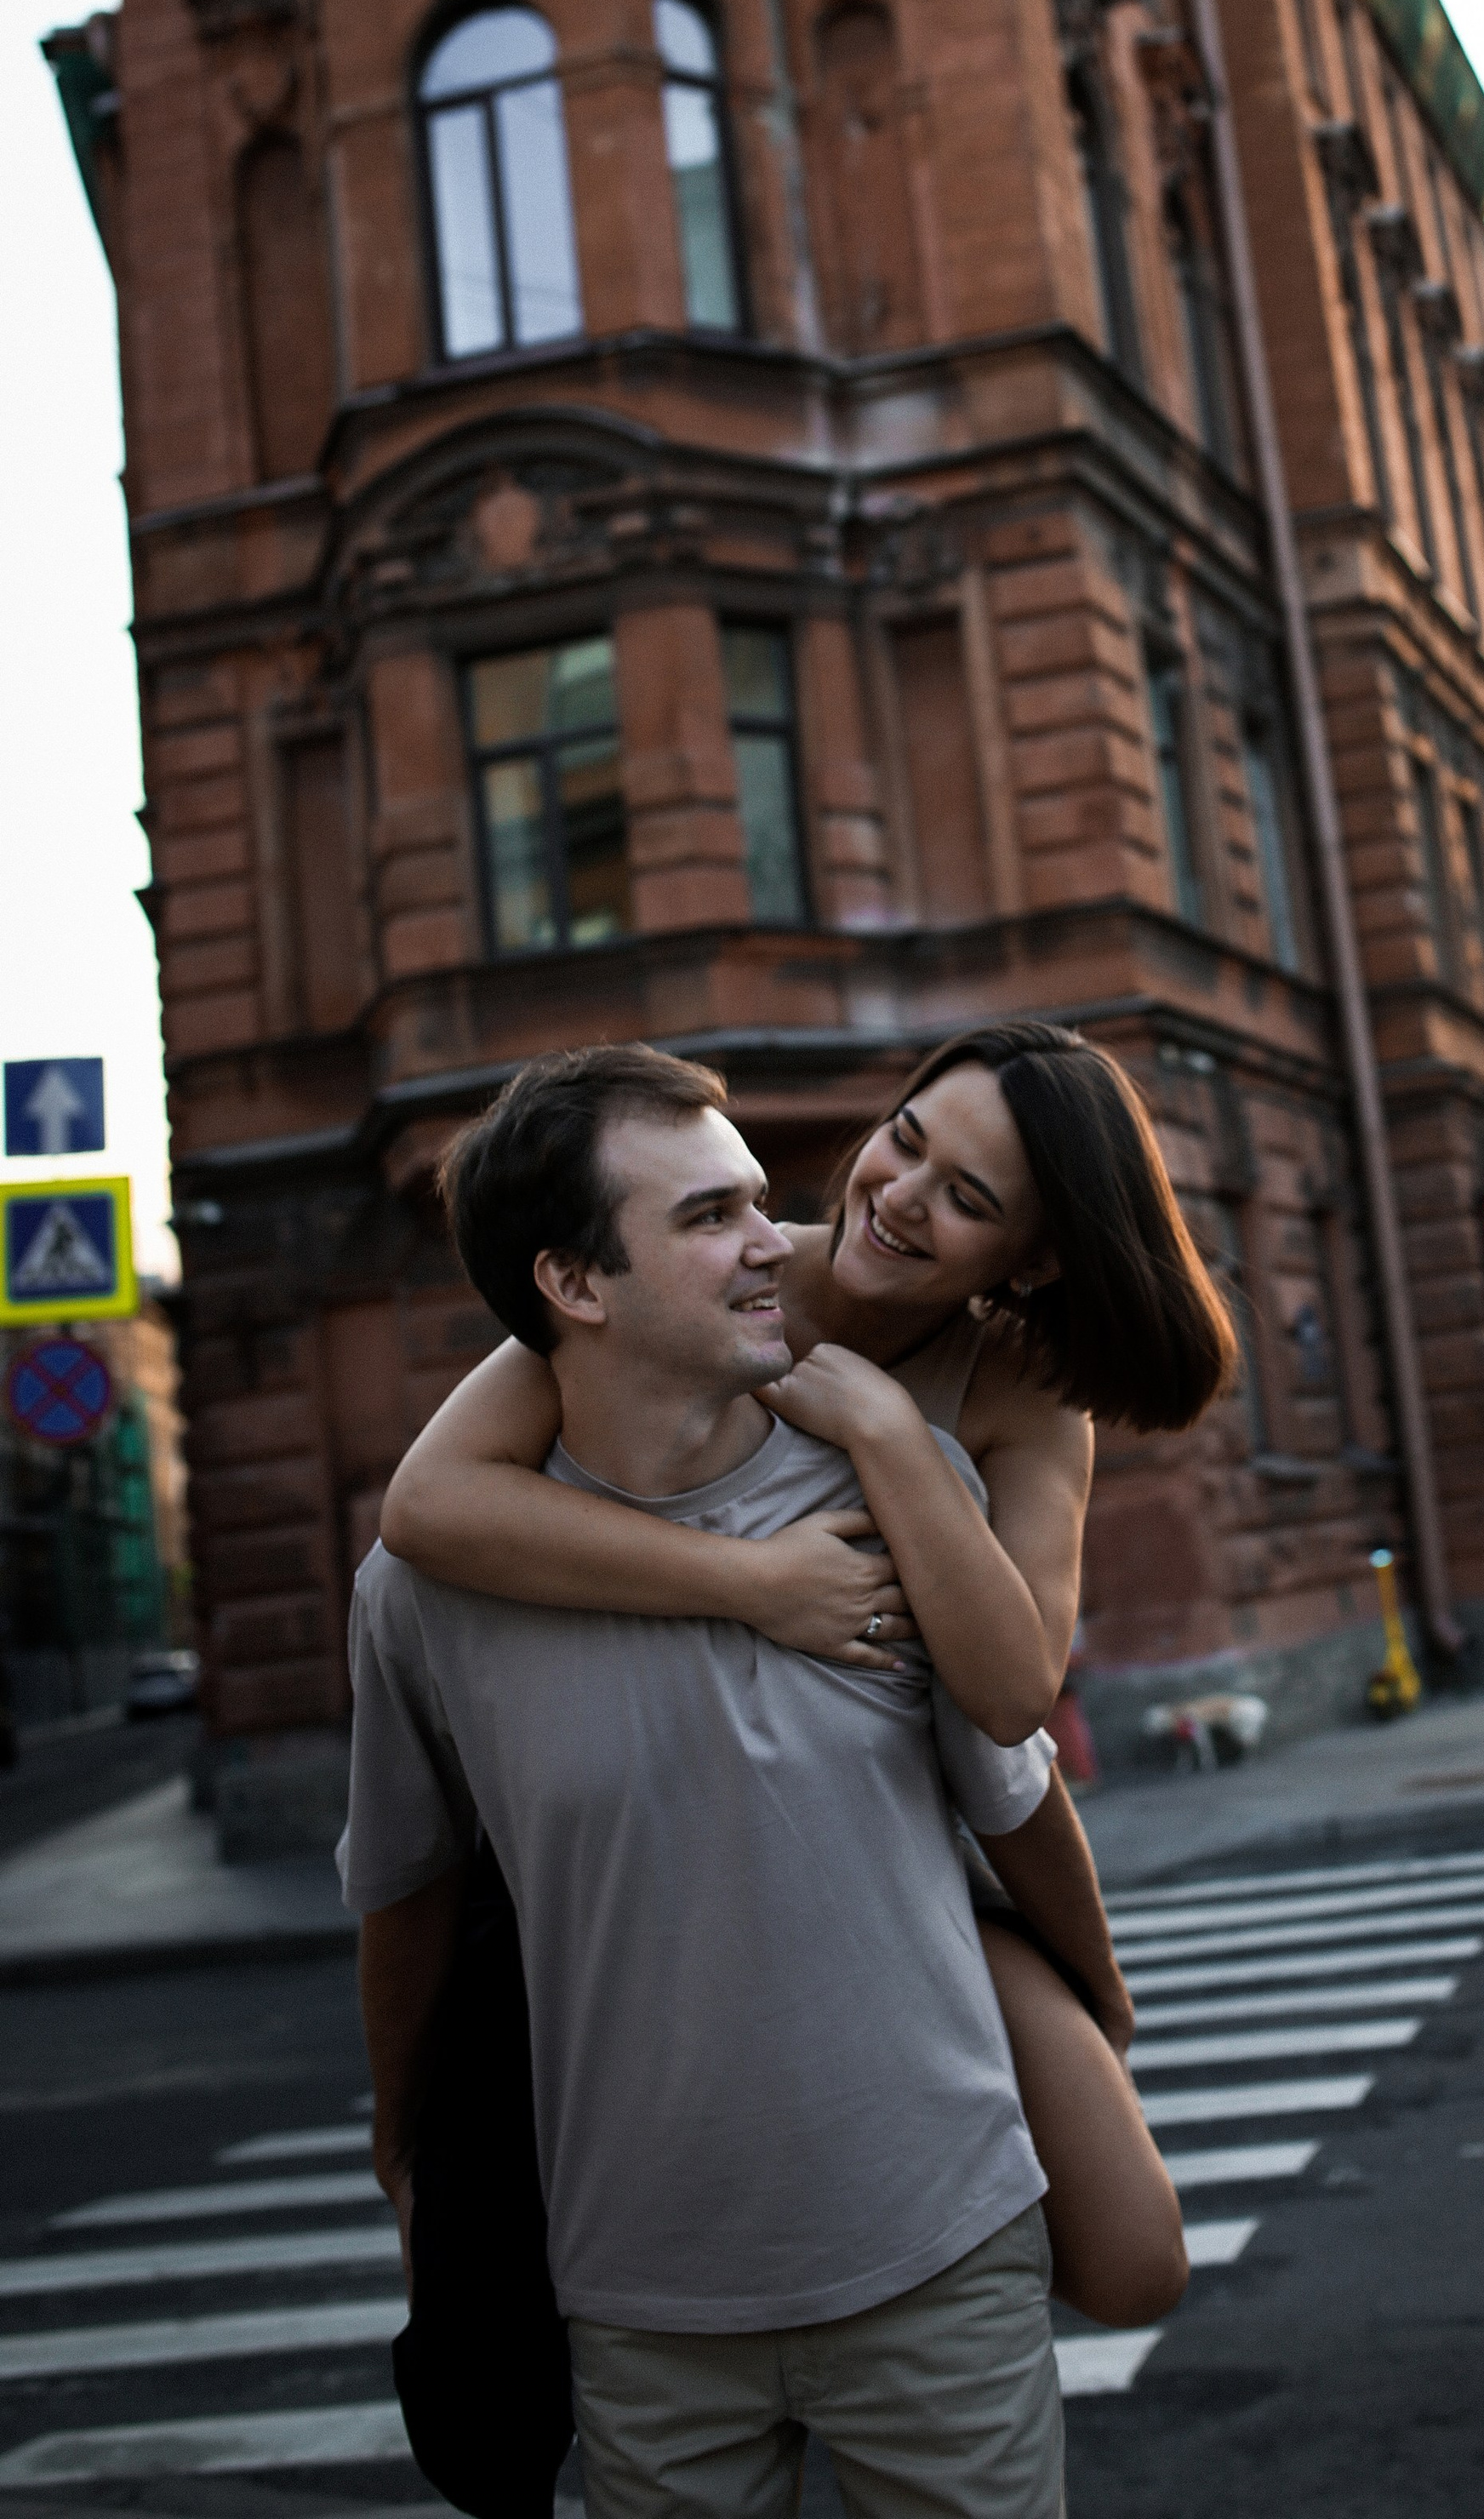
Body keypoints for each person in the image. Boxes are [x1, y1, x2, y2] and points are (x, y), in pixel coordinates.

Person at [345, 1044, 1153, 2519]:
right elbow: (425, 1512)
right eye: (900, 1141)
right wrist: (753, 1585)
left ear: (1027, 1263)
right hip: (653, 2245)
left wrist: (895, 1439)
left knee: (1139, 2248)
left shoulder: (1004, 1410)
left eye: (965, 1196)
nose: (889, 1201)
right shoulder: (734, 1271)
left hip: (914, 2059)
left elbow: (1013, 1713)